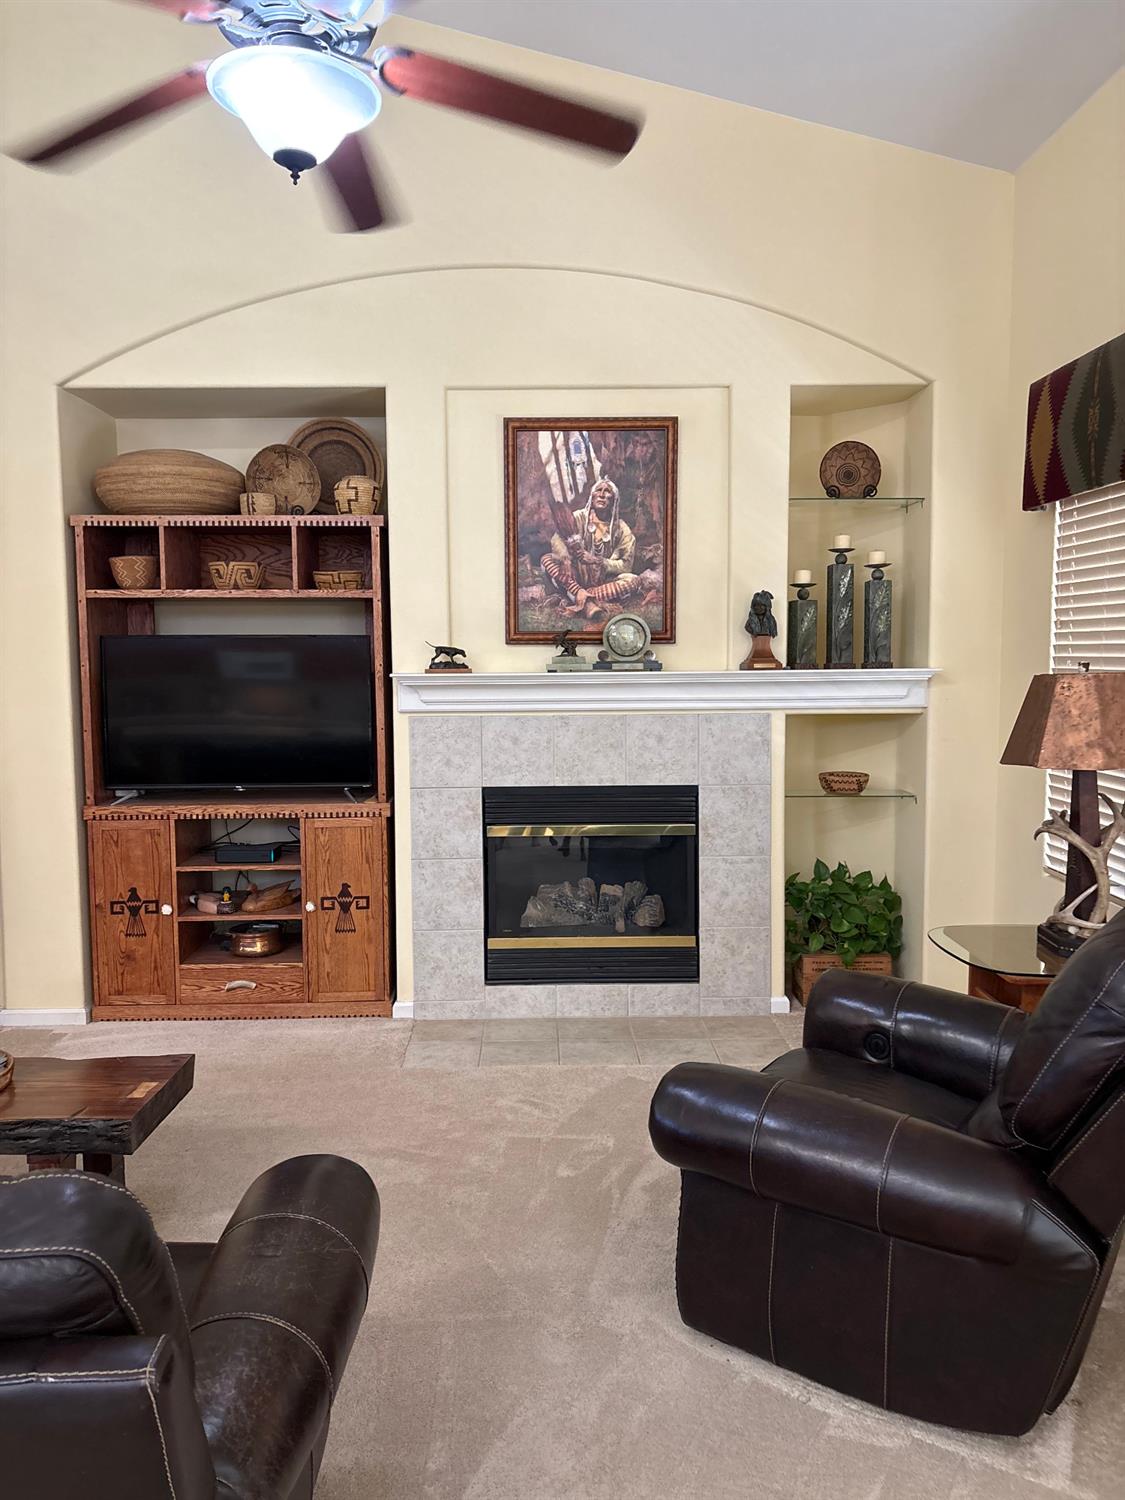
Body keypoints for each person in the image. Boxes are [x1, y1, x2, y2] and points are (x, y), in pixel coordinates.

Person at [540, 477, 641, 620]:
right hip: (575, 575)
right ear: (592, 496)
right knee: (546, 559)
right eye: (598, 490)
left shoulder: (621, 529)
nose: (601, 494)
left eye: (607, 492)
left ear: (614, 500)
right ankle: (584, 597)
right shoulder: (579, 517)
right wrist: (565, 559)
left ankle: (577, 596)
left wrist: (598, 561)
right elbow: (557, 539)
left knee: (633, 580)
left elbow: (626, 565)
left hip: (604, 581)